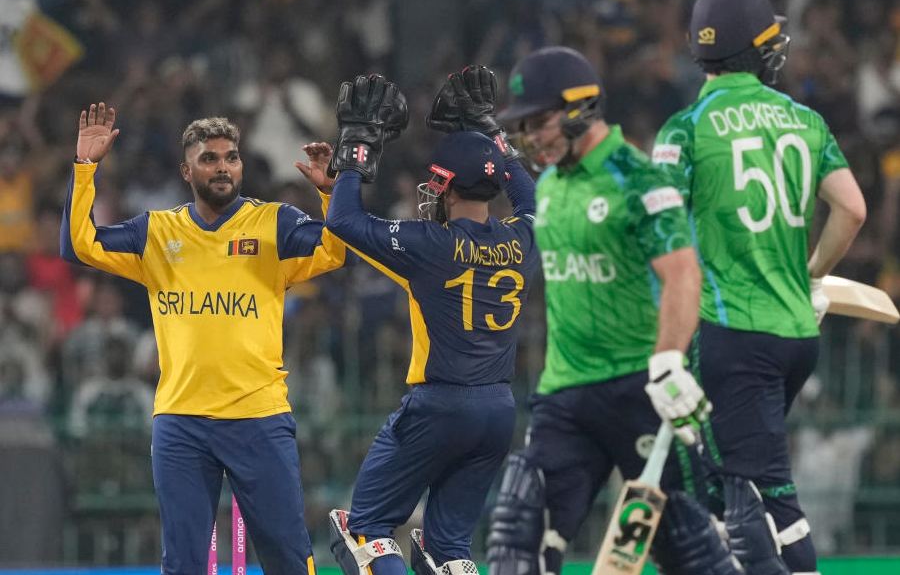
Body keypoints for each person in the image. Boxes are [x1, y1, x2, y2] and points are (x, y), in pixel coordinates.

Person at [61, 103, 347, 575]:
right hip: (181, 422)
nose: (222, 167)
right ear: (186, 169)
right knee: (185, 565)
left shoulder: (273, 223)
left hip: (258, 416)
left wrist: (332, 195)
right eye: (209, 159)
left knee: (290, 560)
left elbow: (335, 251)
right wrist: (85, 169)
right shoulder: (157, 231)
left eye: (230, 157)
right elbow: (78, 244)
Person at [486, 46, 740, 575]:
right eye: (522, 125)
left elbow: (683, 273)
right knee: (517, 533)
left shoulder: (639, 179)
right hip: (566, 392)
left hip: (639, 388)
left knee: (690, 550)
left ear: (581, 107)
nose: (530, 136)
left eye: (539, 121)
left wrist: (669, 362)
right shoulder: (551, 186)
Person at [652, 0, 867, 575]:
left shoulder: (683, 130)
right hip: (795, 336)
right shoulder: (805, 120)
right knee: (703, 488)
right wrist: (810, 276)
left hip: (729, 338)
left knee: (759, 496)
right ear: (758, 48)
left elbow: (658, 241)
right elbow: (851, 209)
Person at [295, 68, 540, 575]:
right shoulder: (523, 241)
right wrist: (491, 133)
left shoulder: (432, 245)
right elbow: (532, 199)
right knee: (448, 549)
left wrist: (357, 146)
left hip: (439, 404)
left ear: (447, 187)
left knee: (362, 528)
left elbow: (342, 222)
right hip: (497, 410)